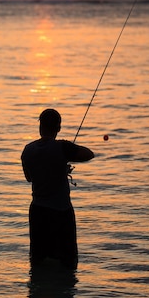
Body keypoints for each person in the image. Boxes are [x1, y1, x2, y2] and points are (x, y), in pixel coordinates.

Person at [21, 109, 94, 269]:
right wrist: (65, 155)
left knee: (38, 261)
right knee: (68, 262)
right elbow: (89, 154)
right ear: (58, 128)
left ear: (40, 127)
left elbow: (29, 178)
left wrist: (58, 168)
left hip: (38, 212)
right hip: (61, 213)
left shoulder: (28, 150)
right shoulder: (62, 147)